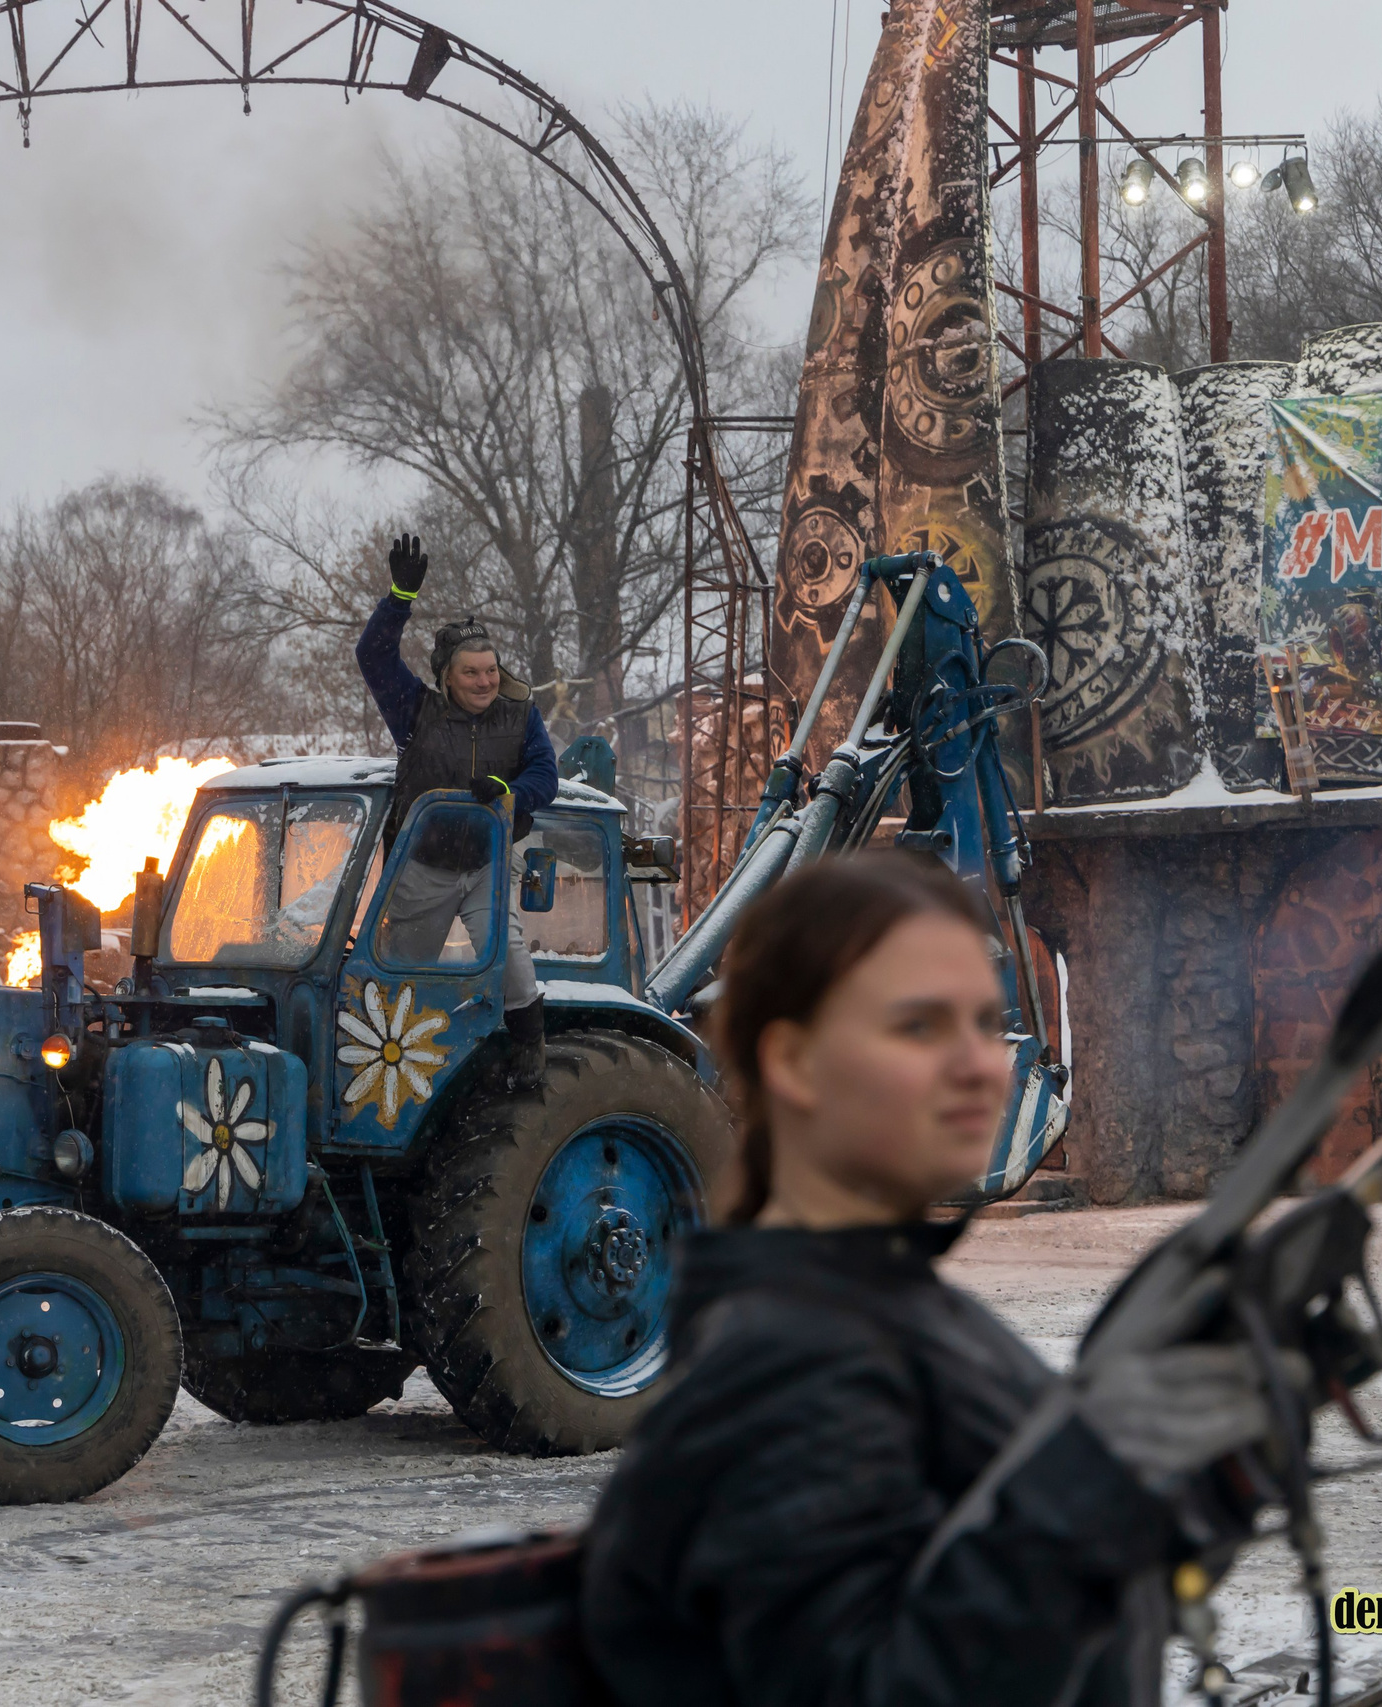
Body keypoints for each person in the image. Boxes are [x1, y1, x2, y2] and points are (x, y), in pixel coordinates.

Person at [583, 852, 1287, 1706]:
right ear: (794, 1062)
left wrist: (1194, 1488)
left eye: (987, 1023)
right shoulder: (786, 1365)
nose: (979, 1064)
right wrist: (1088, 1483)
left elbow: (1016, 1599)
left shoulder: (894, 1309)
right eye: (919, 1026)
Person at [355, 533, 560, 1089]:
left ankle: (531, 1058)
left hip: (490, 863)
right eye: (471, 673)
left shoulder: (520, 716)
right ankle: (389, 1073)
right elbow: (372, 656)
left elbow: (546, 775)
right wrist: (400, 596)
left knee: (513, 961)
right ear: (447, 675)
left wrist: (510, 789)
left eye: (491, 670)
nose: (485, 682)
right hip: (424, 866)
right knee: (401, 975)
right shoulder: (415, 710)